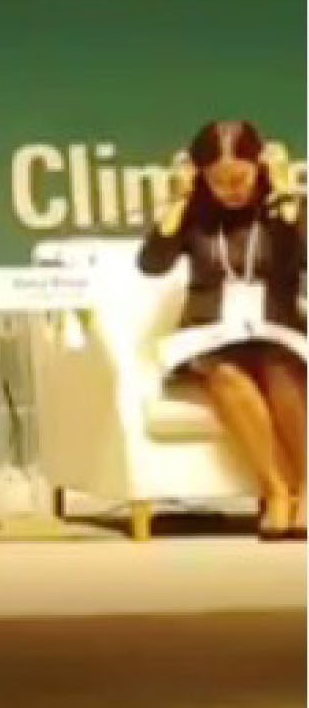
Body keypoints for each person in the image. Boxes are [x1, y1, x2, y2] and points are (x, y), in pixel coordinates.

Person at [139, 119, 306, 540]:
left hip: (275, 325)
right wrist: (178, 199)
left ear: (259, 168)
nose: (231, 190)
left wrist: (286, 192)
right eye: (219, 181)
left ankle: (306, 488)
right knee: (225, 374)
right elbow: (152, 264)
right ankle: (276, 489)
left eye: (240, 178)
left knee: (281, 370)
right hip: (213, 330)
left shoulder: (281, 206)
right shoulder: (195, 216)